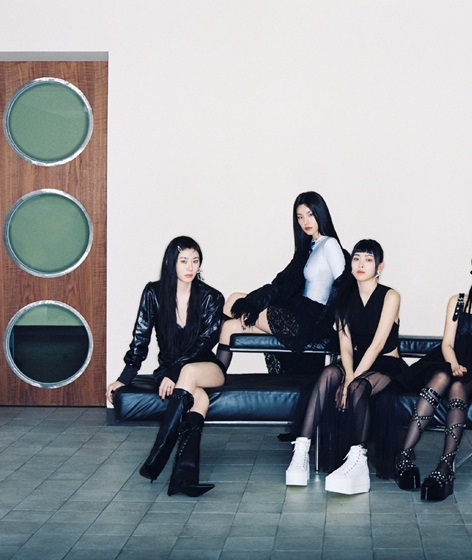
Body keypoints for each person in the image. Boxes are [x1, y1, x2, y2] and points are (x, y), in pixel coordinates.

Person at [394, 245, 472, 502]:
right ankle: (404, 456)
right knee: (441, 378)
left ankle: (445, 467)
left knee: (458, 386)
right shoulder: (459, 301)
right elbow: (447, 343)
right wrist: (453, 364)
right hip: (454, 359)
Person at [284, 239, 407, 494]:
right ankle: (301, 450)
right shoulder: (343, 297)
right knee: (329, 373)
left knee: (357, 387)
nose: (361, 264)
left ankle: (358, 459)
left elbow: (377, 344)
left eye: (368, 260)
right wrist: (347, 375)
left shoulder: (390, 296)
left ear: (379, 266)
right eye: (357, 258)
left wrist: (351, 381)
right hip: (355, 361)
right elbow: (345, 344)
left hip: (386, 363)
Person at [106, 236, 225, 497]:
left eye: (195, 261)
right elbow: (141, 336)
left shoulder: (211, 297)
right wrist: (125, 377)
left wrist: (174, 372)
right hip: (171, 370)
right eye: (184, 261)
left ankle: (157, 457)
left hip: (205, 367)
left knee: (189, 372)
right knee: (200, 400)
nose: (190, 267)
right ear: (171, 263)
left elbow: (205, 343)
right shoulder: (154, 293)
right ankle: (184, 478)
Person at [216, 192, 347, 372]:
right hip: (297, 310)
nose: (305, 222)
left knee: (234, 300)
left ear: (320, 213)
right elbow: (284, 283)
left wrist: (342, 328)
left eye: (310, 214)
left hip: (309, 320)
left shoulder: (329, 244)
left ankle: (202, 354)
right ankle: (214, 374)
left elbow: (344, 284)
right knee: (229, 327)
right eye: (300, 217)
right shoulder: (309, 247)